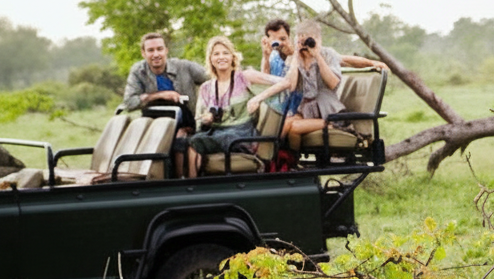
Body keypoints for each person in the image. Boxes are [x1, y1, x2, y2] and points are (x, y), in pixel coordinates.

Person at [185, 36, 283, 178]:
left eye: (225, 53)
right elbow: (200, 122)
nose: (221, 57)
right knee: (189, 142)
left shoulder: (244, 78)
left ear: (232, 56)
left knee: (212, 139)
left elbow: (285, 83)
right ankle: (193, 185)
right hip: (217, 131)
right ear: (210, 59)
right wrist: (207, 119)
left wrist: (258, 98)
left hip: (241, 133)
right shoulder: (206, 88)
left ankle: (194, 187)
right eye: (216, 54)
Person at [122, 32, 209, 176]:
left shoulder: (183, 67)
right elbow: (129, 102)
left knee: (180, 141)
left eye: (159, 49)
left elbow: (215, 76)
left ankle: (182, 184)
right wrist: (160, 95)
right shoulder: (139, 72)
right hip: (155, 127)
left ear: (166, 50)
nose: (156, 54)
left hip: (186, 124)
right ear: (143, 53)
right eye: (151, 50)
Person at [262, 20, 347, 154]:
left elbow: (333, 83)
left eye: (309, 39)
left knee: (295, 127)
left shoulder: (328, 54)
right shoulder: (296, 58)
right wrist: (295, 55)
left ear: (318, 39)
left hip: (329, 113)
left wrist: (317, 55)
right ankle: (276, 160)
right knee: (284, 124)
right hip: (306, 112)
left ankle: (291, 162)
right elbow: (291, 85)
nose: (305, 44)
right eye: (301, 38)